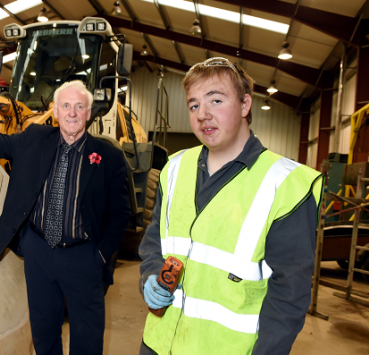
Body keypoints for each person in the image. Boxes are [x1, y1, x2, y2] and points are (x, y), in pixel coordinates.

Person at [138, 57, 323, 355]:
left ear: (245, 105)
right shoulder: (174, 168)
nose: (203, 115)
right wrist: (149, 276)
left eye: (216, 100)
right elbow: (153, 242)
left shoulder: (284, 184)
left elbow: (288, 295)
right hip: (159, 343)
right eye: (194, 105)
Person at [0, 80, 130, 355]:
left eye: (79, 106)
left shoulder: (109, 156)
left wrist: (101, 255)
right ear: (56, 112)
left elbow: (120, 214)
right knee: (44, 333)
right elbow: (0, 144)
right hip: (39, 254)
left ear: (88, 113)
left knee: (88, 339)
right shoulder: (34, 138)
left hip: (84, 257)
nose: (72, 113)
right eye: (66, 106)